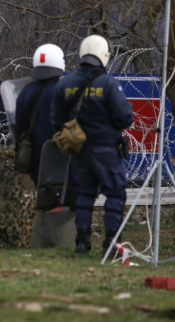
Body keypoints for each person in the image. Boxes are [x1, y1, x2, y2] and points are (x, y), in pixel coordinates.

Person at [51, 35, 134, 255]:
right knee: (115, 194)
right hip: (106, 149)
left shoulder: (65, 83)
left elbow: (56, 119)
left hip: (79, 151)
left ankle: (81, 242)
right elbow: (125, 118)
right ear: (104, 55)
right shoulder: (108, 83)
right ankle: (112, 244)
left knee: (84, 195)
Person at [15, 43, 66, 185]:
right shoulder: (61, 92)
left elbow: (20, 124)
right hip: (60, 156)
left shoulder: (25, 91)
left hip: (35, 157)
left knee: (44, 196)